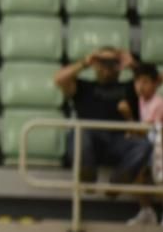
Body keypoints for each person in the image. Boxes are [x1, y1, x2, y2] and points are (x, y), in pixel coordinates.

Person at [54, 47, 148, 185]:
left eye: (112, 62)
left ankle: (119, 182)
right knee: (78, 133)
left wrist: (133, 65)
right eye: (102, 61)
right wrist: (86, 62)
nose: (107, 66)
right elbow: (59, 79)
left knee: (144, 145)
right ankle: (87, 175)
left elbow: (154, 81)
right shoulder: (83, 86)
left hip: (119, 141)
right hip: (90, 140)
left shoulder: (131, 87)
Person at [121, 63, 163, 225]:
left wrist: (128, 117)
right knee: (137, 171)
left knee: (160, 179)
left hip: (160, 147)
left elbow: (145, 130)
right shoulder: (140, 100)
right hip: (149, 146)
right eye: (137, 81)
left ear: (155, 83)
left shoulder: (159, 103)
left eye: (145, 81)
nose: (140, 86)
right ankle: (147, 211)